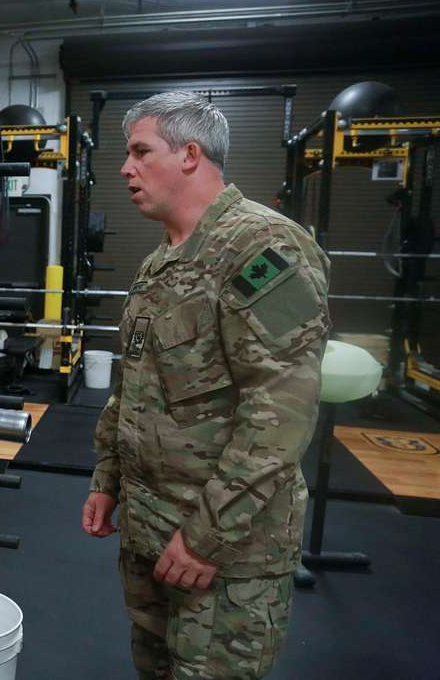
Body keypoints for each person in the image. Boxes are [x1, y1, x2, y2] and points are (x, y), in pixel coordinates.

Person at [81, 92, 330, 679]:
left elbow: (281, 413)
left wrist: (206, 538)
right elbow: (133, 386)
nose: (125, 168)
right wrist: (107, 478)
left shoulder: (262, 248)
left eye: (141, 152)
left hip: (223, 554)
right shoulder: (160, 263)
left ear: (190, 154)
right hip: (151, 530)